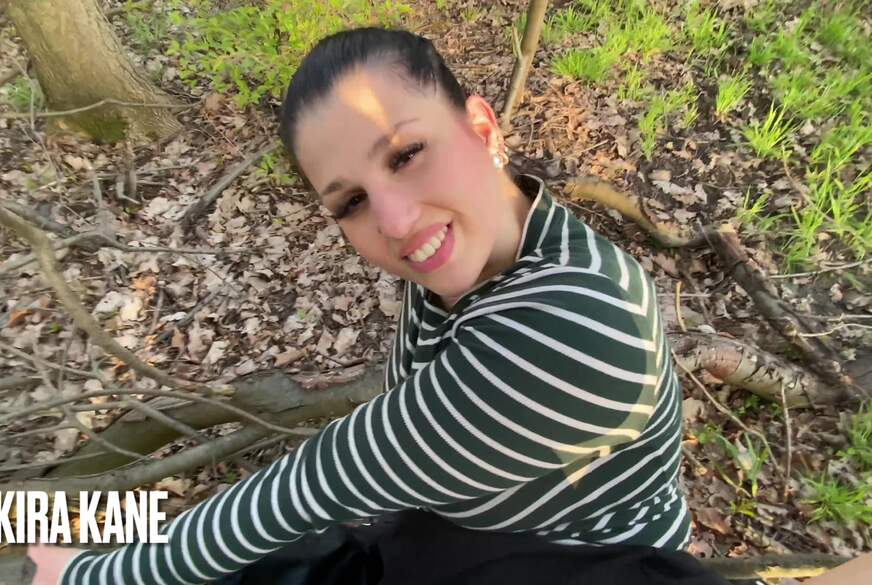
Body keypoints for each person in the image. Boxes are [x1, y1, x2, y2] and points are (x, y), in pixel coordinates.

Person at [32, 27, 705, 585]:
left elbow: (319, 480)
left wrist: (95, 576)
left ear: (481, 128)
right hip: (466, 534)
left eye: (407, 154)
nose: (396, 220)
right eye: (351, 201)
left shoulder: (577, 329)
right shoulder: (481, 247)